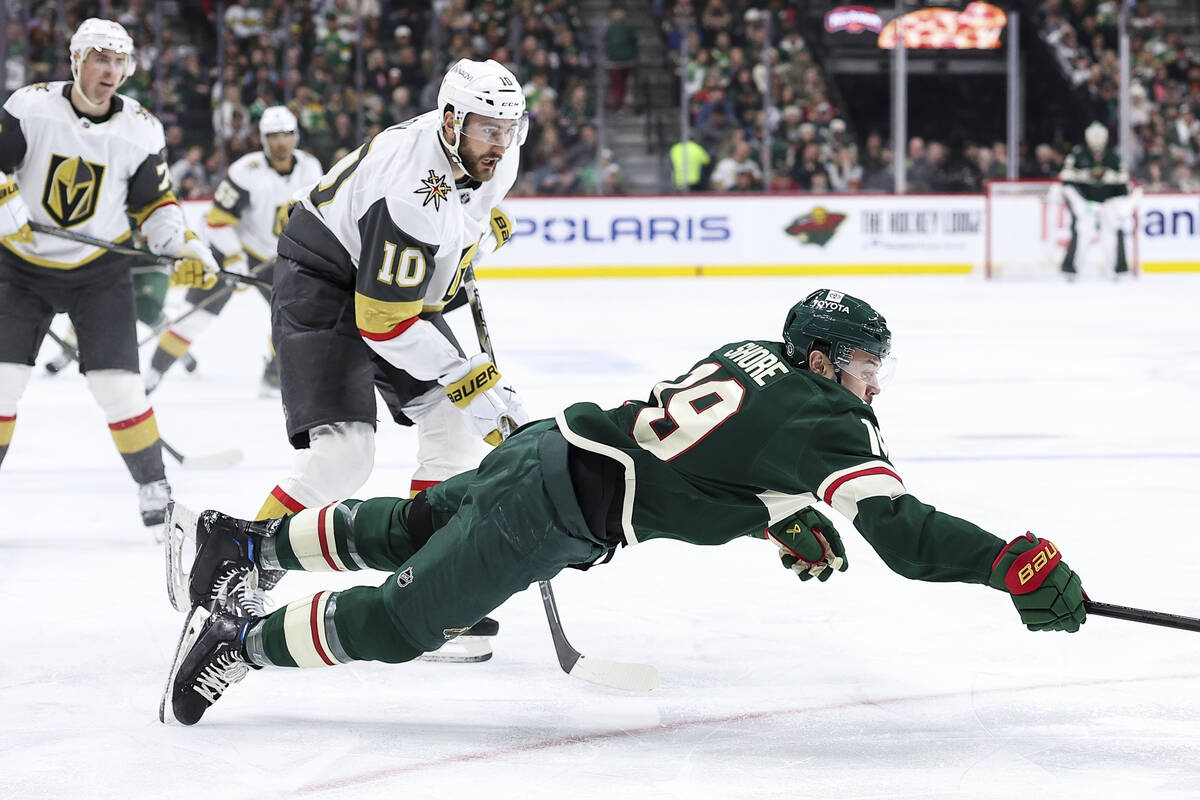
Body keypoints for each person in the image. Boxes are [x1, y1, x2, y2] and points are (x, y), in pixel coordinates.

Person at [159, 289, 1088, 726]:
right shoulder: (829, 424)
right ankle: (238, 646)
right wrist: (1011, 562)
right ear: (819, 360)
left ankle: (251, 545)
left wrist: (772, 509)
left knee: (411, 523)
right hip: (559, 511)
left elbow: (720, 449)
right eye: (860, 363)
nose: (870, 381)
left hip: (552, 443)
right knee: (408, 622)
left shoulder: (750, 350)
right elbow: (906, 536)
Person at [245, 59, 529, 630]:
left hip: (384, 286)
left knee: (449, 418)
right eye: (486, 128)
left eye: (509, 127)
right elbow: (384, 321)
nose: (499, 142)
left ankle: (432, 587)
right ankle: (239, 571)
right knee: (345, 457)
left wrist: (477, 236)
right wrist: (469, 378)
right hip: (325, 280)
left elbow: (453, 234)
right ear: (450, 122)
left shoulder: (492, 150)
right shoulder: (410, 185)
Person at [0, 18, 218, 527]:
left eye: (120, 61)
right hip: (19, 267)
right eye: (101, 58)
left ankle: (152, 484)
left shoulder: (141, 129)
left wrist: (182, 244)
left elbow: (155, 204)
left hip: (97, 269)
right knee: (2, 383)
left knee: (118, 386)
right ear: (75, 60)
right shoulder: (28, 106)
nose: (111, 70)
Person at [144, 106, 324, 394]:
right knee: (196, 317)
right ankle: (153, 373)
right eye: (274, 136)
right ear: (263, 139)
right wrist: (235, 256)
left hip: (281, 255)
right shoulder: (245, 171)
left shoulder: (310, 168)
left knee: (293, 316)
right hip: (236, 250)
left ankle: (274, 372)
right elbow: (216, 222)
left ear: (296, 136)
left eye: (287, 135)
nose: (281, 142)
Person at [1059, 121, 1134, 279]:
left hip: (1108, 204)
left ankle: (1119, 268)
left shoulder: (1113, 156)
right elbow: (1066, 180)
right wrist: (1078, 200)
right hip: (1086, 203)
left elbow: (1124, 182)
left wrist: (1118, 201)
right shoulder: (1078, 154)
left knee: (1113, 233)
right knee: (1082, 233)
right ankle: (1070, 268)